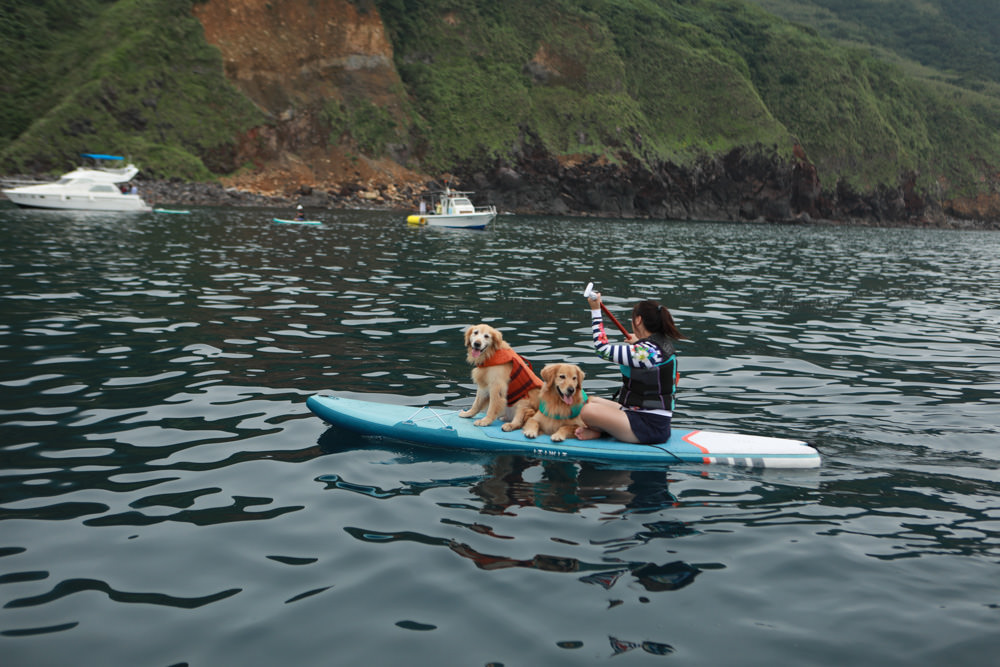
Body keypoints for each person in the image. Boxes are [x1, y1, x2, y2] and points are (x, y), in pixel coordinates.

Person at [575, 291, 687, 444]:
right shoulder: (658, 346)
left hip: (648, 427)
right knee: (591, 401)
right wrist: (638, 341)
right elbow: (647, 355)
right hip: (644, 418)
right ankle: (601, 431)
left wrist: (595, 310)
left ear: (638, 320)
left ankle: (602, 431)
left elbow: (602, 350)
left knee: (587, 411)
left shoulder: (646, 352)